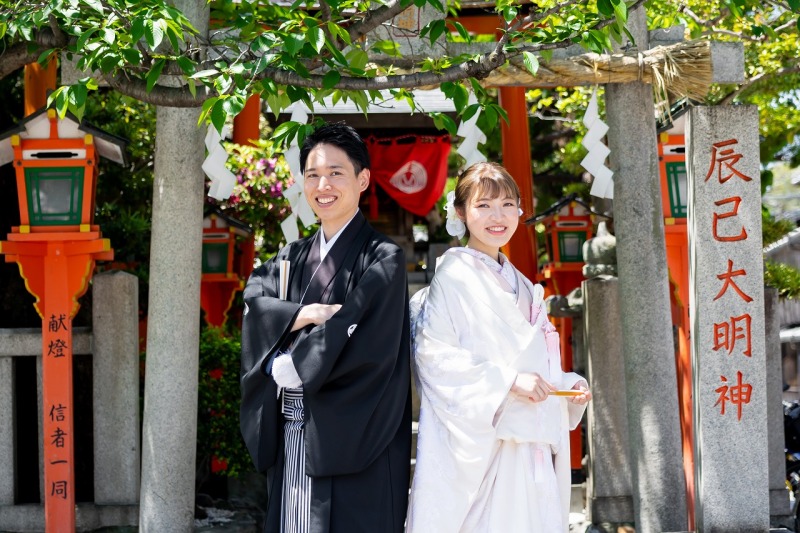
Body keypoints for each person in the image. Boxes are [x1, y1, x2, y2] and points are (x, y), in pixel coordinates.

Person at [239, 123, 412, 533]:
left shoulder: (383, 258)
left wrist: (296, 364)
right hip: (293, 431)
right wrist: (301, 315)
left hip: (356, 434)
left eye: (336, 173)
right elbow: (254, 300)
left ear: (362, 179)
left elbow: (373, 348)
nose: (323, 185)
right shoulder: (291, 256)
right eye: (313, 175)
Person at [406, 162, 592, 532]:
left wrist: (564, 386)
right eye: (484, 205)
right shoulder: (453, 277)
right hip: (488, 442)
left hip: (529, 442)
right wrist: (508, 382)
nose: (498, 216)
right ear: (461, 212)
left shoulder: (520, 280)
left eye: (507, 204)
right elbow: (434, 357)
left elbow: (535, 359)